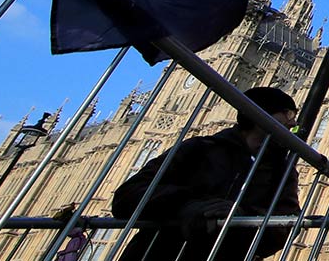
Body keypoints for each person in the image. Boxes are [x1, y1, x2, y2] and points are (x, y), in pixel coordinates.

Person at [111, 86, 301, 261]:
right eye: (288, 113)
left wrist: (243, 218)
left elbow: (287, 225)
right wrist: (188, 206)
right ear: (260, 113)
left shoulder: (282, 170)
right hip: (158, 252)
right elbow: (127, 195)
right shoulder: (200, 149)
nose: (293, 122)